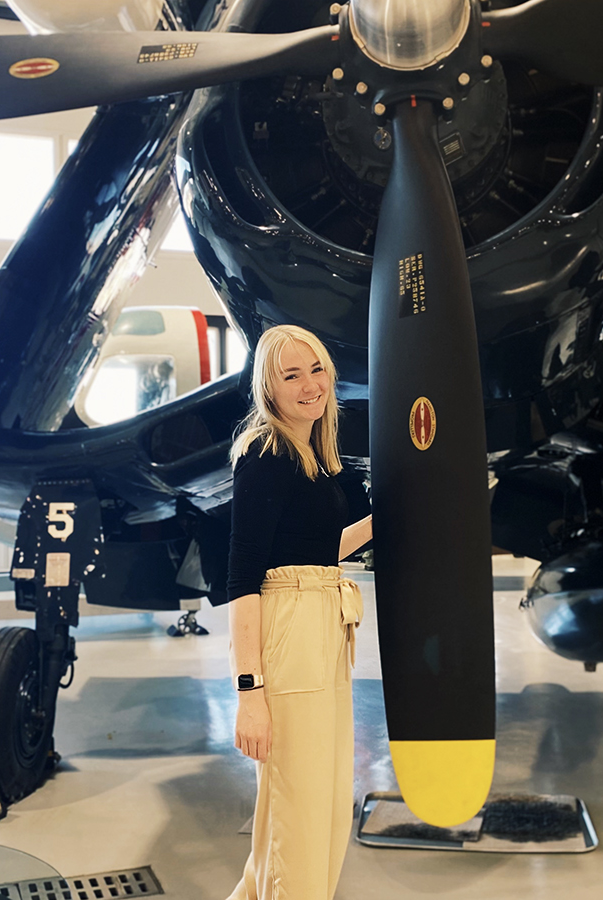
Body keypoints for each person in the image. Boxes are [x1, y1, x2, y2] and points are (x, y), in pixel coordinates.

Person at [223, 324, 373, 900]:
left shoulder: (314, 454)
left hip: (324, 623)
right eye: (291, 375)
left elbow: (310, 551)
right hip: (291, 631)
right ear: (269, 387)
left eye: (316, 369)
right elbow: (245, 575)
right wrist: (249, 693)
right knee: (302, 817)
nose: (310, 385)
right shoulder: (266, 453)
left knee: (316, 808)